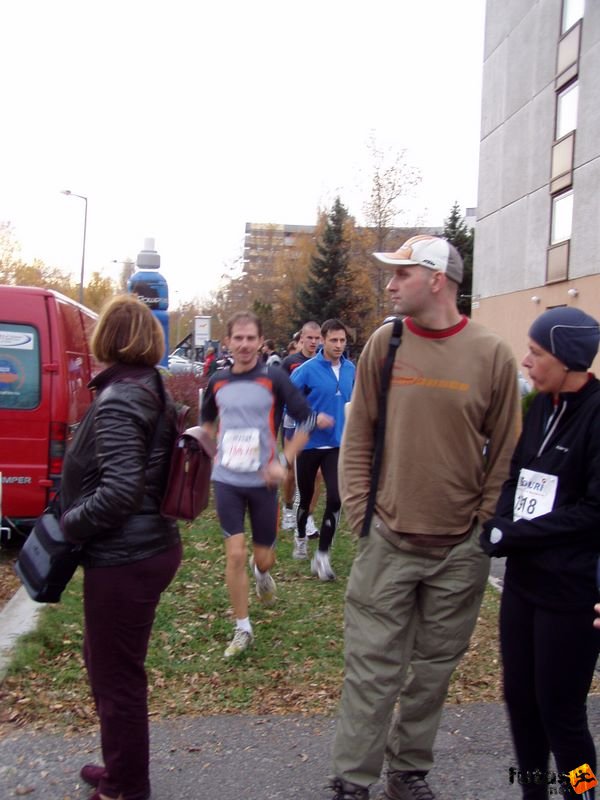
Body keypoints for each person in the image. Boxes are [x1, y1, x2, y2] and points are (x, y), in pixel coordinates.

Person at [330, 235, 520, 800]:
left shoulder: (492, 355)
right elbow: (357, 434)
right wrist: (363, 514)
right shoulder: (383, 346)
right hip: (387, 539)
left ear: (437, 279)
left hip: (459, 550)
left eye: (401, 274)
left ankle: (408, 772)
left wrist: (483, 527)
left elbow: (506, 450)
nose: (390, 285)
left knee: (432, 673)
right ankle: (353, 779)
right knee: (371, 668)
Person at [60, 294, 182, 800]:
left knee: (118, 678)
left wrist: (69, 525)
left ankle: (126, 786)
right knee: (108, 664)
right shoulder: (148, 385)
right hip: (145, 549)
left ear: (108, 338)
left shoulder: (121, 397)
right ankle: (120, 768)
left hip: (125, 557)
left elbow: (119, 491)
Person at [480, 306, 600, 800]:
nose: (525, 362)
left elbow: (593, 511)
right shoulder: (542, 408)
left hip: (571, 594)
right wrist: (499, 522)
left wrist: (516, 536)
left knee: (561, 714)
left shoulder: (595, 415)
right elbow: (516, 475)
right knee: (521, 703)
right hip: (523, 587)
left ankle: (583, 792)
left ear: (568, 359)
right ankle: (533, 791)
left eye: (536, 353)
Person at [200, 311, 332, 658]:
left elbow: (305, 419)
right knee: (235, 554)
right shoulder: (216, 381)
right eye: (237, 338)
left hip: (263, 482)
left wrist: (283, 462)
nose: (244, 345)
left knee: (264, 558)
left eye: (250, 338)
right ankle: (242, 628)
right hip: (227, 480)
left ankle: (262, 576)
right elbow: (208, 424)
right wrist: (210, 452)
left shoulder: (274, 378)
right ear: (227, 341)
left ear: (260, 342)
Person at [290, 319, 355, 575]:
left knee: (336, 498)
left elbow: (354, 402)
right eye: (333, 340)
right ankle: (300, 535)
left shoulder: (351, 369)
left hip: (337, 445)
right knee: (306, 498)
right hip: (309, 444)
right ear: (323, 340)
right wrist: (313, 418)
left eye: (342, 341)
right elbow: (290, 404)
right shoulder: (306, 370)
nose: (338, 345)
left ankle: (322, 554)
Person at [280, 320, 323, 535]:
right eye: (310, 338)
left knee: (317, 475)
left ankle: (308, 518)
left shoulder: (326, 362)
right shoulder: (290, 362)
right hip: (293, 421)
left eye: (317, 338)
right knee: (291, 471)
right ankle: (288, 509)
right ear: (302, 339)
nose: (314, 342)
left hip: (319, 423)